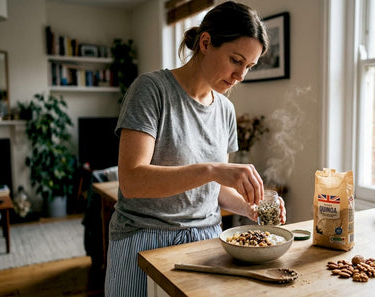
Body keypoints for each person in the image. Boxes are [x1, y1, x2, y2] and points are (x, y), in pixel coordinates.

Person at [104, 2, 286, 296]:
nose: (241, 75)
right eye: (236, 60)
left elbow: (213, 189)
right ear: (205, 43)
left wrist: (249, 207)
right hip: (145, 239)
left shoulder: (226, 110)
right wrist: (212, 170)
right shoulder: (151, 90)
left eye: (248, 66)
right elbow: (132, 181)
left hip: (207, 242)